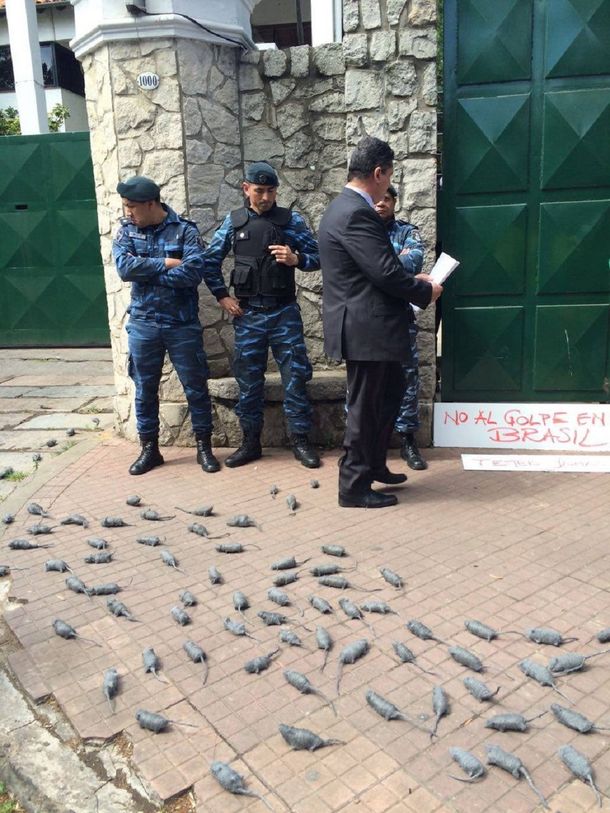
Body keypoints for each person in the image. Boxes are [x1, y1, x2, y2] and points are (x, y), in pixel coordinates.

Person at [318, 137, 442, 508]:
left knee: (385, 399)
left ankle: (373, 467)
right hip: (366, 327)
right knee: (366, 406)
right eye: (389, 176)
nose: (388, 185)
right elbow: (386, 271)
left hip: (371, 325)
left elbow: (374, 270)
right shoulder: (356, 212)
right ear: (378, 173)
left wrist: (412, 283)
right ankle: (353, 487)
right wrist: (425, 292)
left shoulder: (344, 208)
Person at [113, 175, 240, 475]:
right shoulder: (126, 231)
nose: (128, 212)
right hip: (144, 324)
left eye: (132, 206)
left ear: (151, 203)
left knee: (195, 387)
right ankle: (149, 449)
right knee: (144, 389)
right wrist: (167, 263)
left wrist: (147, 270)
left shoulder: (185, 230)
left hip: (181, 325)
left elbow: (192, 274)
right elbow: (124, 268)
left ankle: (204, 448)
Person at [205, 161, 321, 469]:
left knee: (295, 378)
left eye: (271, 191)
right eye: (259, 191)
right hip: (249, 315)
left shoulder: (291, 221)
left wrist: (297, 258)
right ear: (246, 189)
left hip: (284, 313)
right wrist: (223, 296)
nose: (266, 197)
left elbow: (321, 257)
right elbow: (209, 262)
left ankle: (300, 440)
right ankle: (250, 442)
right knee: (249, 382)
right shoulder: (233, 223)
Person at [374, 186, 428, 470]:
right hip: (368, 321)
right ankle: (367, 444)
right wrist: (394, 271)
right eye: (377, 199)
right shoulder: (361, 231)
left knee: (407, 380)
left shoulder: (407, 232)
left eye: (387, 199)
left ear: (395, 202)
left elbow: (413, 260)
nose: (381, 203)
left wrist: (378, 269)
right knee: (366, 383)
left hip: (399, 318)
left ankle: (407, 440)